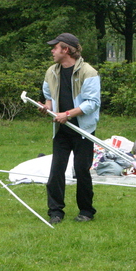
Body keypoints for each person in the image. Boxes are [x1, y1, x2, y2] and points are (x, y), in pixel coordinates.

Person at [40, 33, 101, 225]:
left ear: (66, 50)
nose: (52, 50)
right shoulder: (52, 71)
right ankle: (55, 212)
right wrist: (48, 106)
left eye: (55, 47)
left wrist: (67, 114)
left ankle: (86, 211)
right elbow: (48, 93)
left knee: (81, 170)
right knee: (56, 169)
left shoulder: (88, 72)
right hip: (61, 130)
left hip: (83, 130)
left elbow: (92, 103)